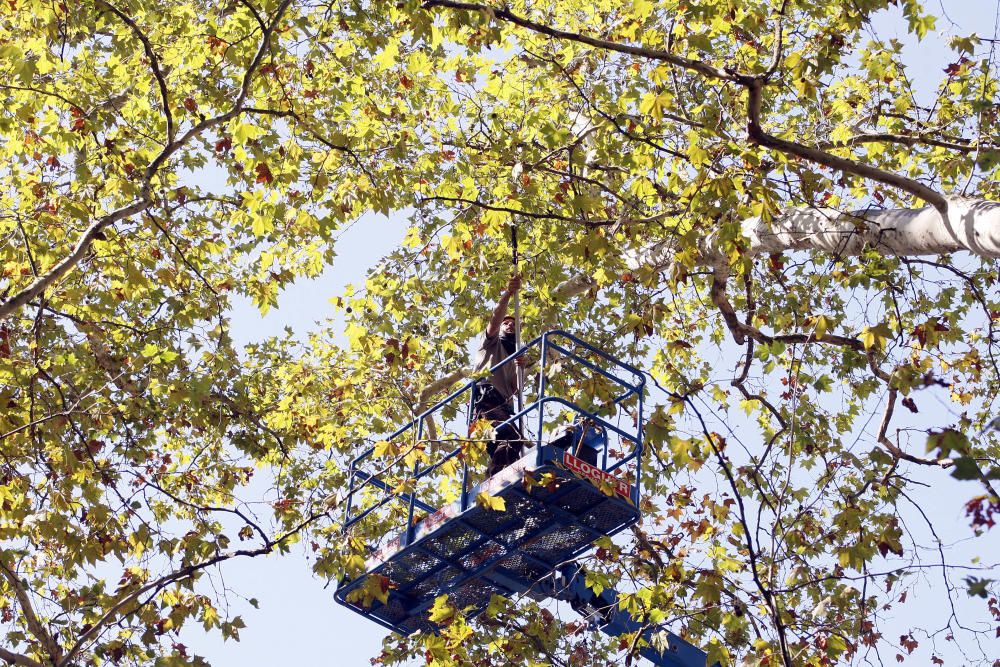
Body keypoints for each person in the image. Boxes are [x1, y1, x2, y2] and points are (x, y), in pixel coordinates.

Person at [472, 274, 527, 476]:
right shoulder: (490, 344)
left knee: (509, 445)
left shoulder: (516, 357)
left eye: (514, 324)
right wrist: (508, 294)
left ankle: (497, 478)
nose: (510, 325)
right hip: (486, 400)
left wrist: (521, 367)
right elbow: (495, 321)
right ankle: (498, 479)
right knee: (511, 438)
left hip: (503, 406)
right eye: (507, 323)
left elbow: (516, 390)